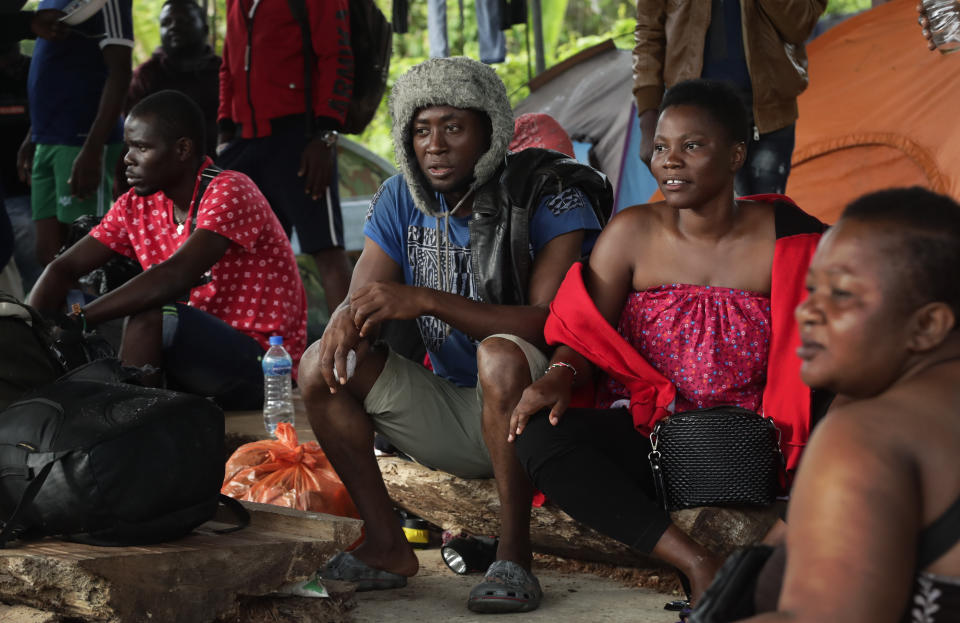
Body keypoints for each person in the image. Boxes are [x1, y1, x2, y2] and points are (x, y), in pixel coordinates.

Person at [484, 79, 827, 606]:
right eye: (662, 147)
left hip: (761, 445)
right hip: (655, 437)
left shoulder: (792, 237)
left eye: (692, 146)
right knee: (537, 437)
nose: (670, 162)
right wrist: (560, 373)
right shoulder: (632, 232)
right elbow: (582, 333)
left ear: (736, 154)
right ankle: (695, 562)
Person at [298, 57, 609, 614]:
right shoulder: (398, 198)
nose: (435, 145)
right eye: (421, 130)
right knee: (319, 364)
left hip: (539, 412)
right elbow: (359, 304)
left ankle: (514, 555)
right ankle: (385, 544)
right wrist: (346, 318)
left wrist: (426, 299)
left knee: (499, 356)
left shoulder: (547, 194)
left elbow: (550, 322)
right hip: (453, 413)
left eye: (453, 128)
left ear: (490, 130)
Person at [732, 187, 960, 623]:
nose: (806, 312)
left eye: (840, 294)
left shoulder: (868, 436)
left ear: (929, 324)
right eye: (810, 287)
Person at [28, 90, 308, 410]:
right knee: (61, 300)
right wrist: (26, 332)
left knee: (151, 312)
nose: (127, 159)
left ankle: (133, 429)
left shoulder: (229, 189)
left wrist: (81, 320)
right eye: (129, 146)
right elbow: (62, 269)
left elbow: (175, 275)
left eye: (142, 147)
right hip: (188, 354)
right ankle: (33, 402)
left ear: (182, 150)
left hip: (261, 365)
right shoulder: (136, 204)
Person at [216, 0, 353, 315]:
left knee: (326, 249)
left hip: (300, 139)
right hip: (244, 140)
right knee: (244, 253)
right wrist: (225, 131)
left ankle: (354, 355)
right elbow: (229, 62)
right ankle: (263, 352)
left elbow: (338, 56)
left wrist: (325, 135)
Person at [633, 0, 826, 196]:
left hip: (770, 113)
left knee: (768, 216)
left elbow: (799, 26)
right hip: (697, 116)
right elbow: (649, 34)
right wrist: (648, 117)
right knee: (720, 220)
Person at [19, 0, 132, 267]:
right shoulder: (48, 2)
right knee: (48, 255)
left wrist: (93, 148)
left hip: (82, 141)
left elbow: (121, 72)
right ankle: (59, 311)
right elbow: (54, 72)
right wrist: (32, 136)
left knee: (87, 252)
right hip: (48, 139)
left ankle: (91, 310)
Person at [126, 0, 221, 158]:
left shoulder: (222, 73)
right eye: (166, 22)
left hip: (217, 169)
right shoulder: (145, 76)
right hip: (156, 172)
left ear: (205, 29)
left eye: (184, 21)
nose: (174, 27)